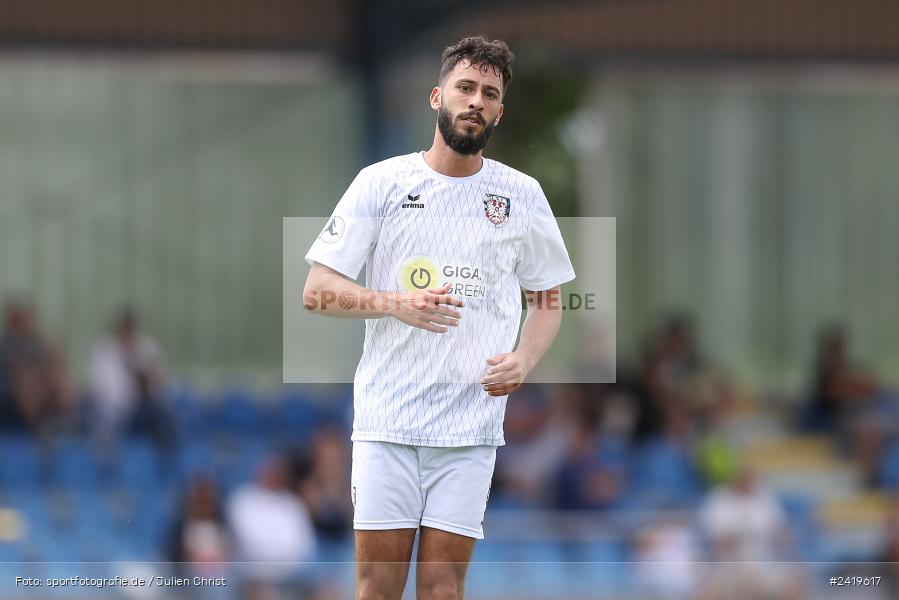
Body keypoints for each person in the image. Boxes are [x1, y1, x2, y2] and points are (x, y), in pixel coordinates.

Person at [302, 36, 575, 600]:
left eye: (489, 93)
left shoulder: (520, 195)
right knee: (378, 587)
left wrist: (524, 358)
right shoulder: (382, 183)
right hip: (388, 421)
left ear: (500, 110)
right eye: (465, 88)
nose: (476, 101)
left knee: (443, 588)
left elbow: (549, 300)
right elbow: (317, 290)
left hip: (470, 429)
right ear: (437, 97)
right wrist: (395, 303)